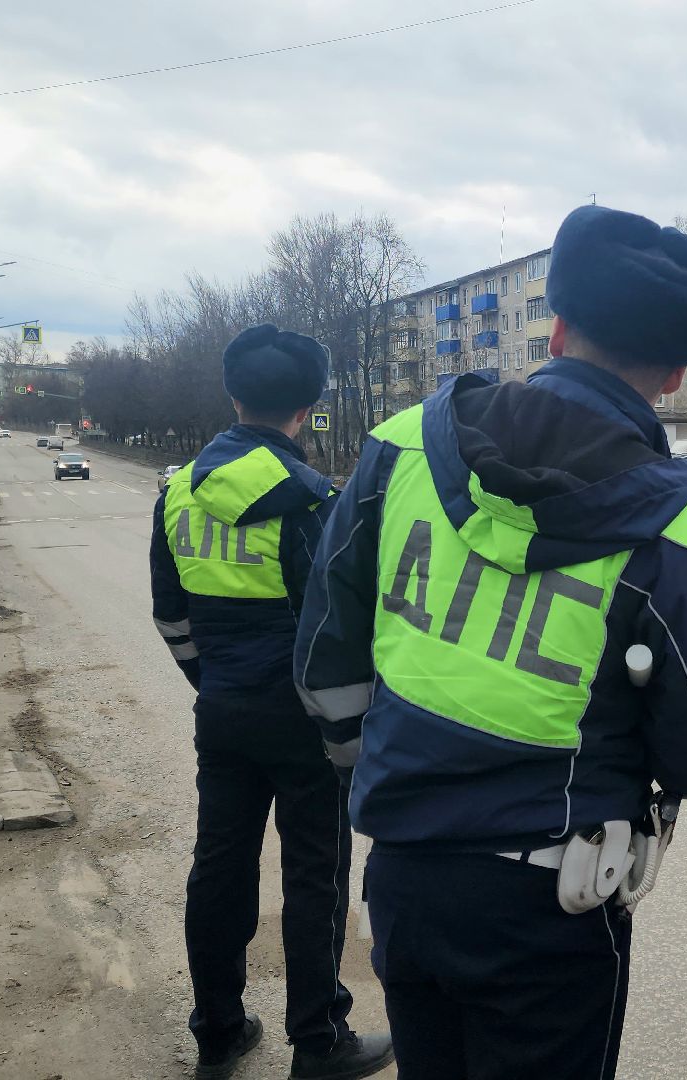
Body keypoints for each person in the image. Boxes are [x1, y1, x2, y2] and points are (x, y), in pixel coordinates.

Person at [295, 205, 687, 1080]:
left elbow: (325, 653)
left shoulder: (398, 451)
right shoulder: (680, 529)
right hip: (553, 902)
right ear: (674, 373)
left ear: (554, 329)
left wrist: (381, 772)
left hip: (403, 878)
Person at [150, 324, 393, 1080]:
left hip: (222, 710)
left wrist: (214, 682)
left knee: (218, 866)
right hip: (306, 721)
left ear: (233, 394)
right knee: (315, 873)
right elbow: (341, 625)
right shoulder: (314, 500)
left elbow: (170, 615)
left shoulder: (178, 490)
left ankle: (219, 1030)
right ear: (309, 406)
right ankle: (318, 1042)